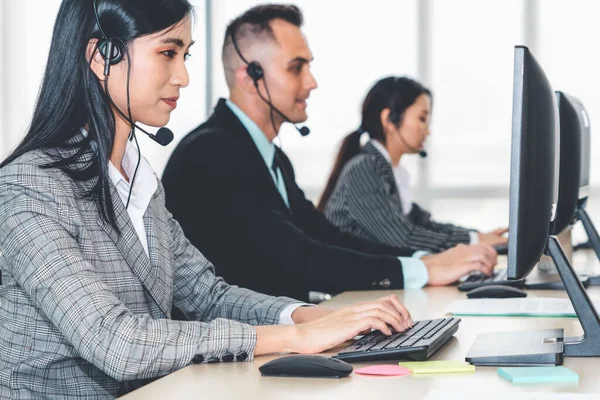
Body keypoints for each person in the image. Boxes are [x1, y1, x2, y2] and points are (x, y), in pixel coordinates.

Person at [0, 1, 414, 398]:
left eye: (186, 55)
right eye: (167, 52)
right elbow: (114, 341)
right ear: (101, 55)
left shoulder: (139, 182)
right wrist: (294, 337)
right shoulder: (29, 187)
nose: (183, 76)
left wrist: (305, 315)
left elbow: (207, 295)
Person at [162, 4, 497, 303]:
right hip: (234, 353)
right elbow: (299, 257)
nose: (312, 82)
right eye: (297, 68)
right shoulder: (212, 153)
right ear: (251, 77)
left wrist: (423, 262)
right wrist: (421, 270)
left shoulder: (272, 158)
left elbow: (325, 235)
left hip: (280, 338)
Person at [318, 77, 508, 253]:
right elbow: (403, 238)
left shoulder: (388, 171)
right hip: (347, 288)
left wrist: (477, 237)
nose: (427, 131)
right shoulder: (364, 168)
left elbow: (423, 225)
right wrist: (474, 243)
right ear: (389, 119)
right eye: (422, 119)